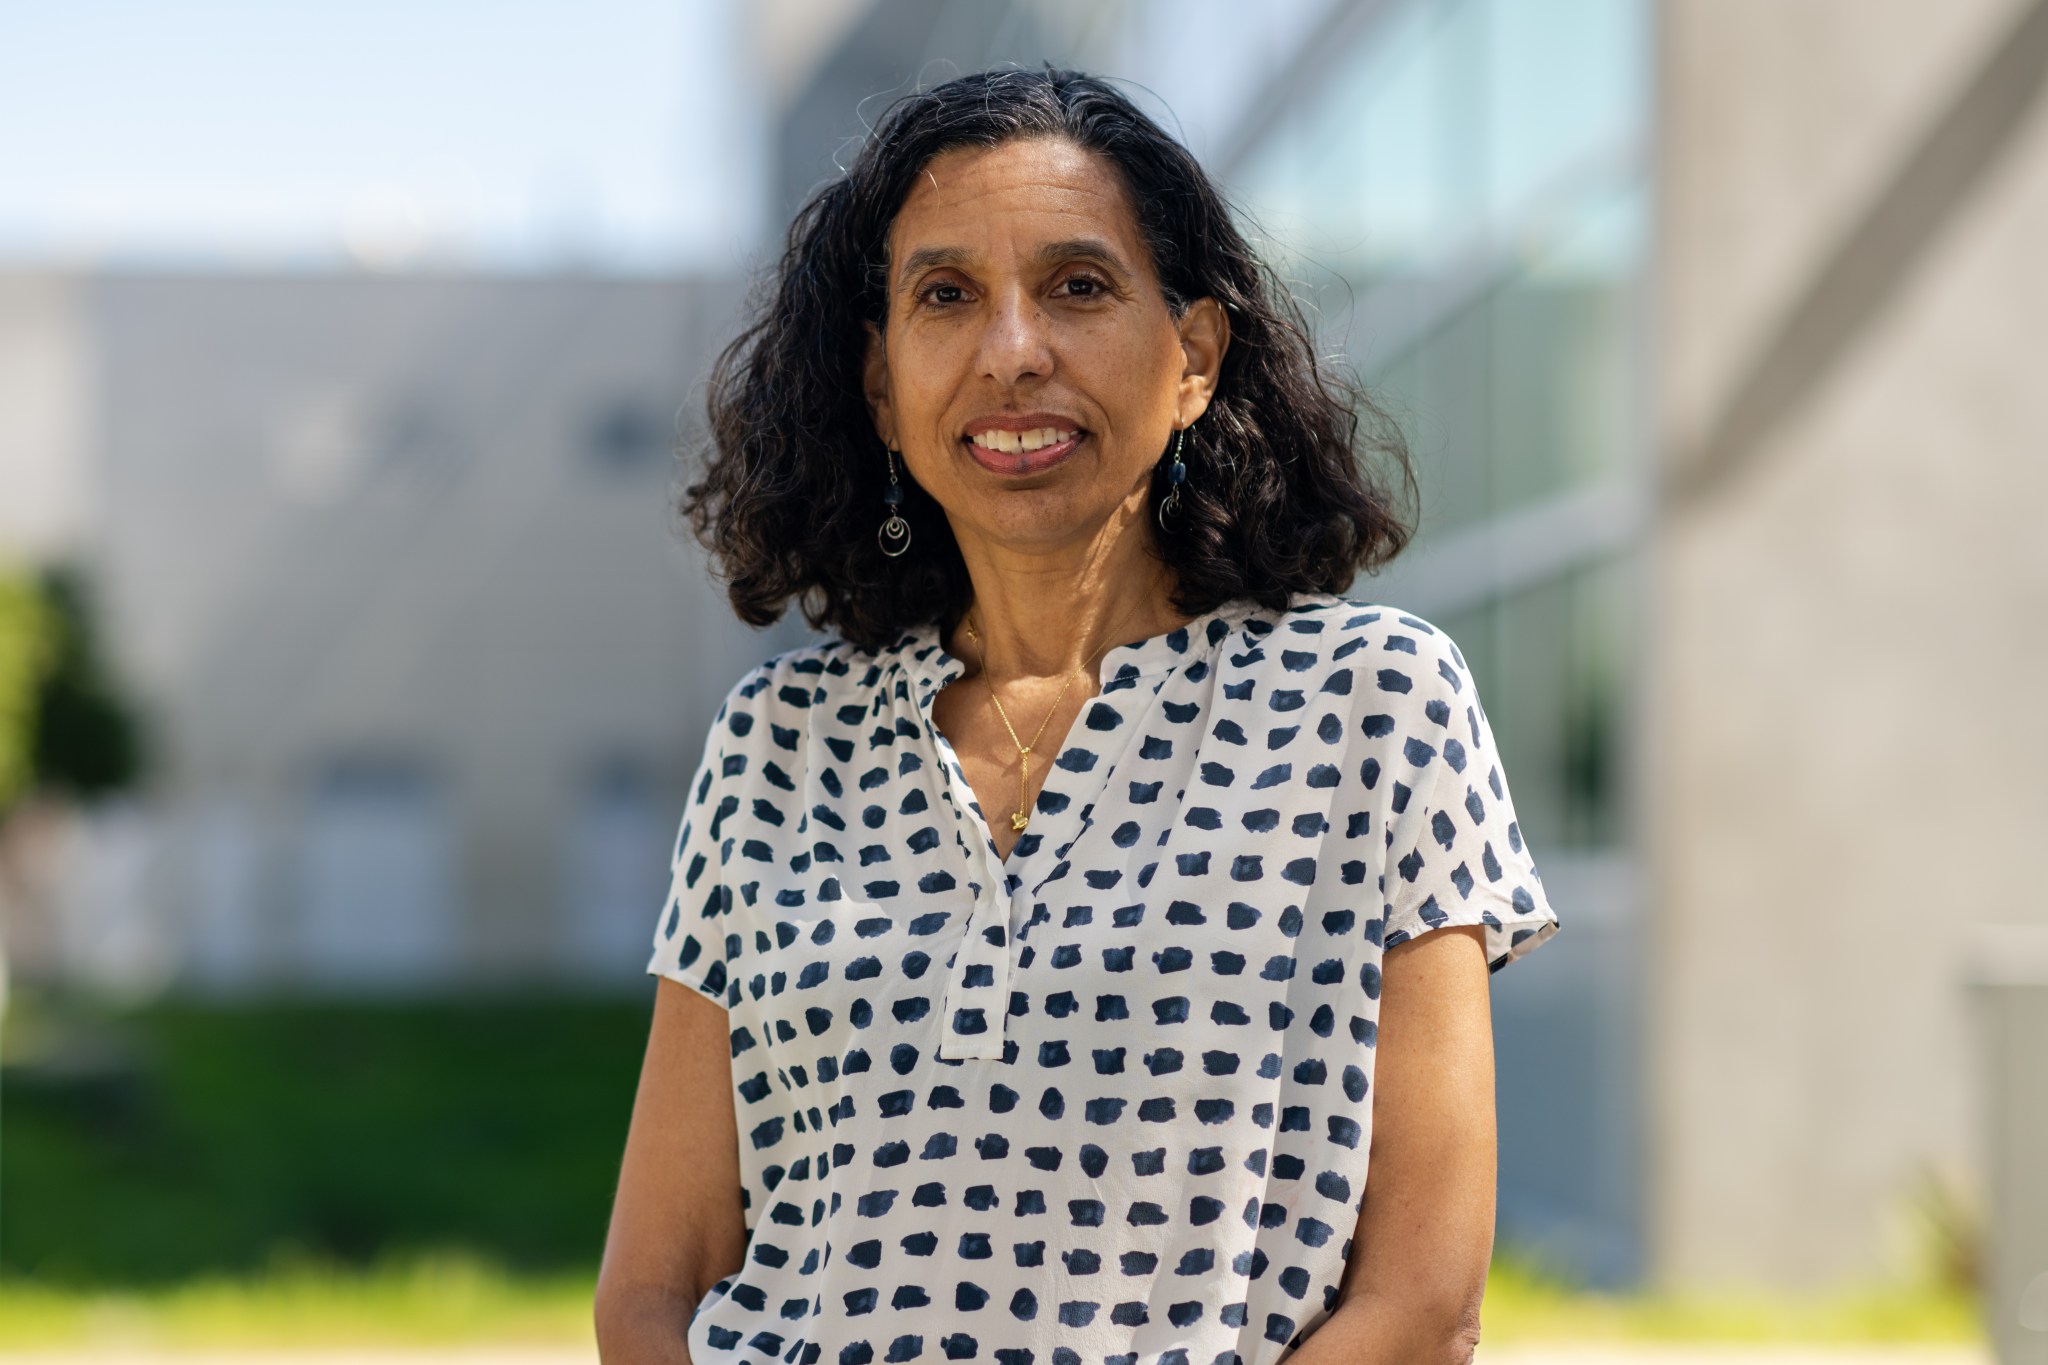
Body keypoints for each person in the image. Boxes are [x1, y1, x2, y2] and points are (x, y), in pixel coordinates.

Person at [595, 66, 1560, 1365]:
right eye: (946, 297)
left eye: (1078, 286)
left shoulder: (1376, 706)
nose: (1012, 352)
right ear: (884, 391)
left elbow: (1423, 1301)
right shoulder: (775, 745)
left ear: (1195, 359)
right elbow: (654, 1288)